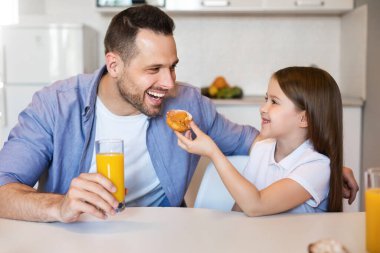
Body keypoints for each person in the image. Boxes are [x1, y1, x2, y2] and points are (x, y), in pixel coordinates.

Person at [0, 6, 358, 223]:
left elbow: (254, 142)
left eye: (173, 67)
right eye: (154, 69)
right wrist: (59, 206)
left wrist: (321, 161)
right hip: (77, 237)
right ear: (114, 64)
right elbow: (3, 190)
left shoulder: (188, 103)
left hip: (163, 235)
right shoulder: (55, 105)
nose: (169, 83)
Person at [175, 67, 346, 215]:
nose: (263, 108)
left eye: (274, 102)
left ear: (304, 118)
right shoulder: (261, 149)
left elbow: (256, 205)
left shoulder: (317, 167)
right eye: (266, 99)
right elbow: (241, 206)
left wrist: (213, 152)